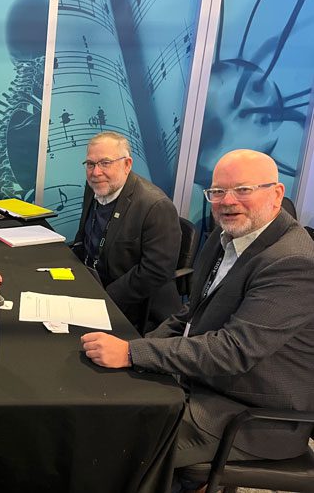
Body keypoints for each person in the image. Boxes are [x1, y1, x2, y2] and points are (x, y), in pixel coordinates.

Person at [81, 149, 314, 476]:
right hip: (203, 383)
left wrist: (133, 353)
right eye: (217, 192)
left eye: (243, 190)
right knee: (100, 402)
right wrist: (138, 347)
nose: (227, 201)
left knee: (108, 443)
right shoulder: (228, 236)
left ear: (276, 194)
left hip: (249, 416)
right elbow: (191, 313)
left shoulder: (293, 263)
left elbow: (232, 351)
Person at [73, 131, 181, 331]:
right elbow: (85, 237)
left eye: (105, 163)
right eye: (90, 164)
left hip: (130, 305)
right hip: (90, 284)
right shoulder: (95, 187)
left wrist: (104, 297)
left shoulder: (155, 206)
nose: (96, 172)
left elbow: (156, 271)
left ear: (127, 164)